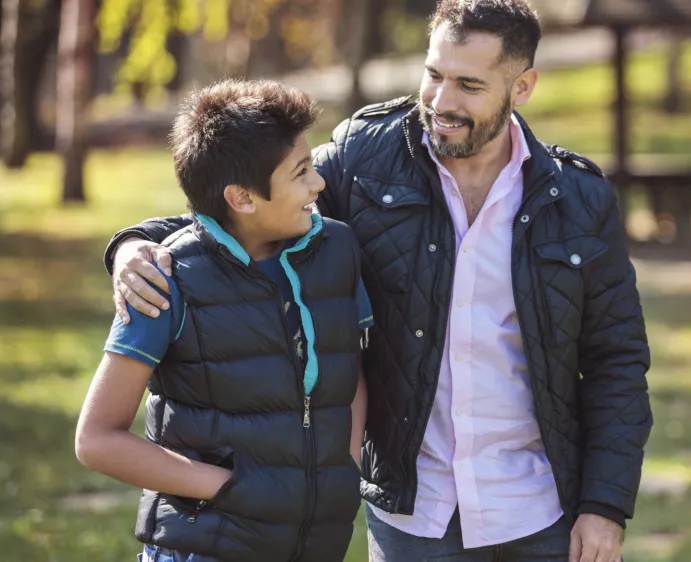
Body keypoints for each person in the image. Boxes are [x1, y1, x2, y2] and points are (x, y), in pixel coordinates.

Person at [103, 1, 652, 561]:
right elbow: (247, 204)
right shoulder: (365, 156)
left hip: (542, 509)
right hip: (414, 512)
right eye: (433, 75)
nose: (442, 101)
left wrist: (604, 506)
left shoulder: (579, 198)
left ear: (523, 86)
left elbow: (616, 359)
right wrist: (133, 242)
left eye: (469, 84)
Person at [75, 79, 374, 562]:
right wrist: (228, 486)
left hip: (316, 545)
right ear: (242, 198)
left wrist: (345, 465)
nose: (318, 184)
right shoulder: (164, 279)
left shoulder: (337, 251)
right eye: (301, 172)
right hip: (204, 548)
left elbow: (349, 368)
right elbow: (96, 440)